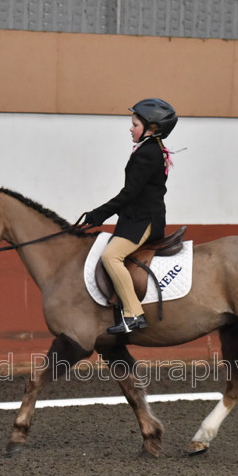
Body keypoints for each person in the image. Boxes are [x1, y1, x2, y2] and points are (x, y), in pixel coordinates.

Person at [84, 98, 178, 334]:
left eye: (135, 124)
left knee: (110, 257)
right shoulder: (151, 150)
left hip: (143, 220)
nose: (130, 128)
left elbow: (130, 193)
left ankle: (133, 314)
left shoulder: (147, 154)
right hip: (137, 217)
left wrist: (100, 213)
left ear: (152, 128)